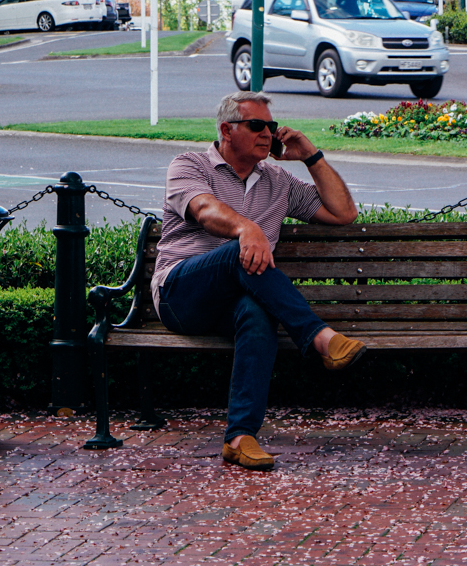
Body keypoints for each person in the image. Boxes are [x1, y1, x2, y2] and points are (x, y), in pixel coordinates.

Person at [153, 90, 362, 471]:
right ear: (226, 130)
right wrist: (246, 228)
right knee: (239, 252)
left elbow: (343, 213)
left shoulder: (278, 182)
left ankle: (240, 436)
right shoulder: (190, 165)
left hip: (233, 302)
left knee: (257, 311)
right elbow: (203, 209)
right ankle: (318, 336)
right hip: (181, 295)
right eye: (255, 125)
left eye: (270, 126)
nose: (267, 133)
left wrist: (311, 156)